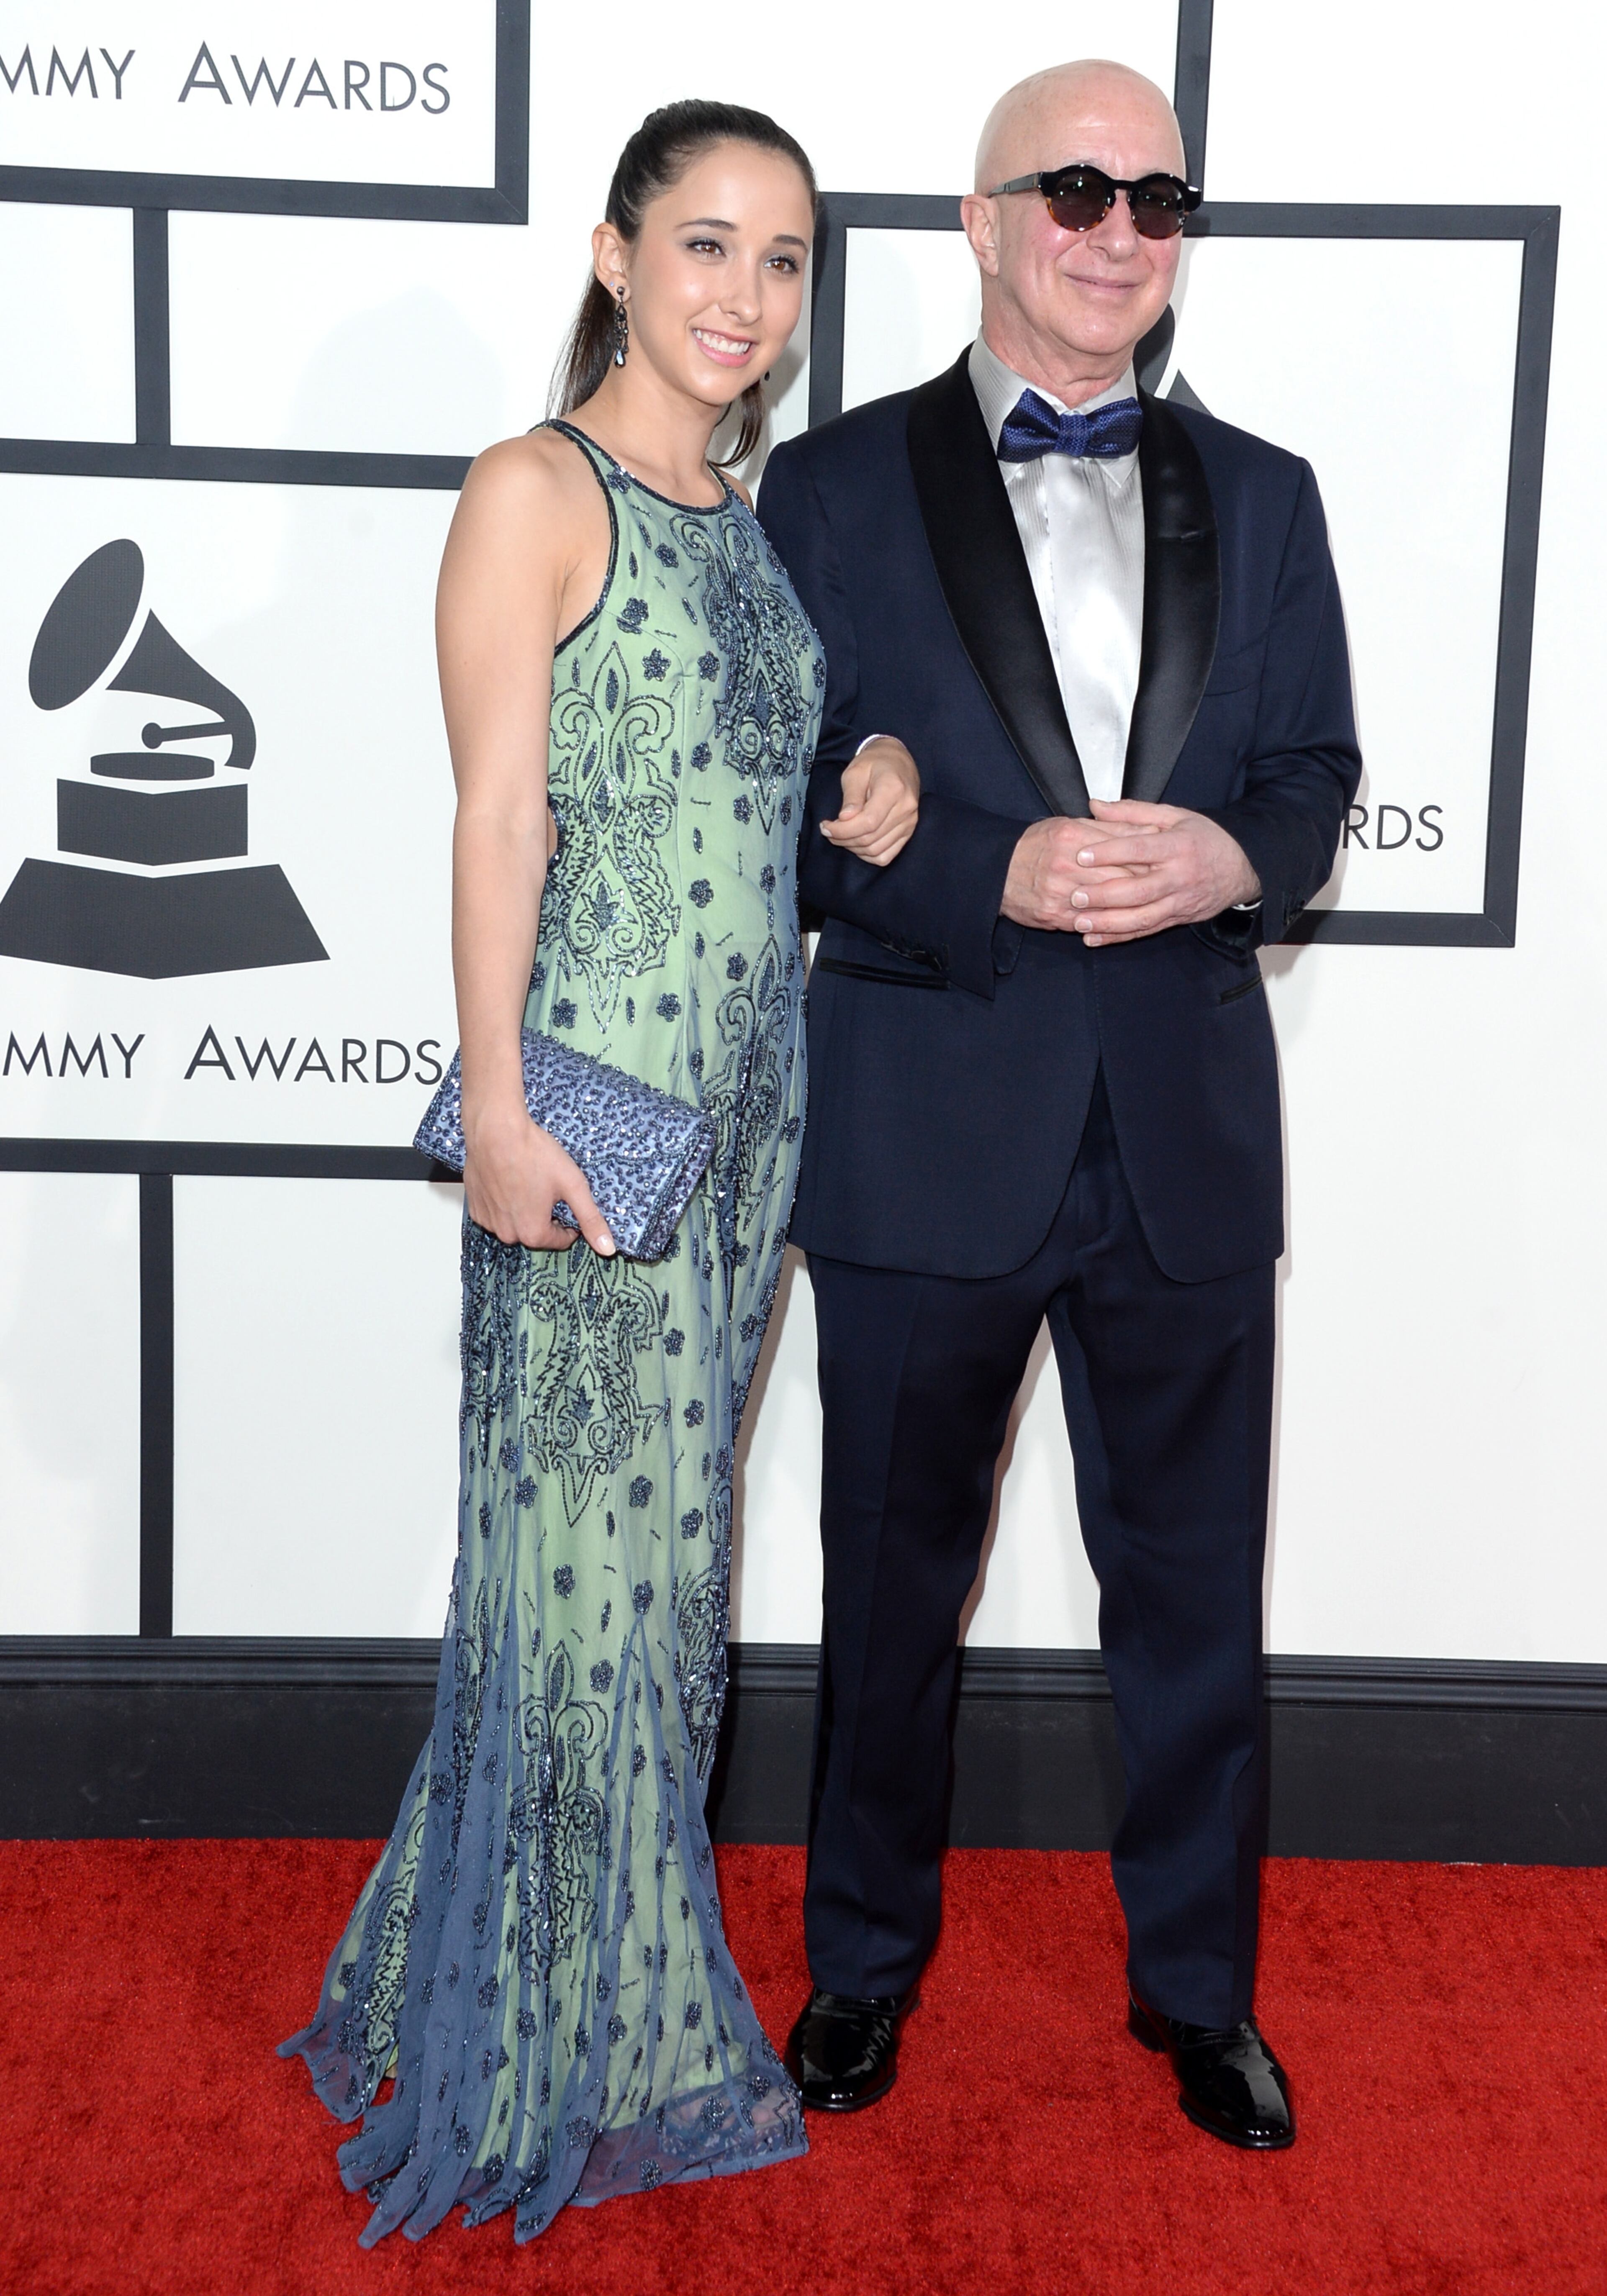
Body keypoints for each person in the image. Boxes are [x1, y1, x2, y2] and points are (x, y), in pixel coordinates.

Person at [279, 99, 919, 2243]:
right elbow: (497, 821)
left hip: (748, 1126)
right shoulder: (532, 491)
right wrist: (494, 1113)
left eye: (788, 261)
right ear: (619, 251)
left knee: (657, 1586)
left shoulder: (742, 522)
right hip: (590, 1122)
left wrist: (870, 784)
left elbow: (760, 790)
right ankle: (577, 2027)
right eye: (711, 246)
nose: (747, 297)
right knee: (573, 1586)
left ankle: (567, 1973)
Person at [758, 59, 1361, 2150]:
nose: (1123, 229)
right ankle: (858, 1969)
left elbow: (1314, 782)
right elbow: (776, 822)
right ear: (988, 219)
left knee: (1195, 1596)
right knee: (886, 1586)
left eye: (1161, 197)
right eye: (1079, 187)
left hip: (1184, 1133)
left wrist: (1232, 864)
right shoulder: (828, 491)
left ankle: (1201, 1995)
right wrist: (972, 870)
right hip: (933, 1119)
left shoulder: (1268, 494)